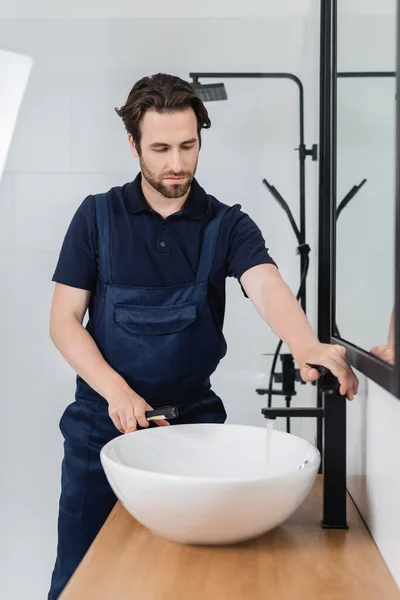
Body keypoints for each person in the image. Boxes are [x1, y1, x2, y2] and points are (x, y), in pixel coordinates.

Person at [47, 72, 358, 599]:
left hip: (193, 430)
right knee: (82, 584)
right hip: (100, 431)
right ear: (133, 145)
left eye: (188, 145)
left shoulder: (228, 225)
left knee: (188, 585)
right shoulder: (96, 216)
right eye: (161, 147)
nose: (176, 163)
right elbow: (63, 322)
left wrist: (307, 346)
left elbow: (267, 289)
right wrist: (118, 393)